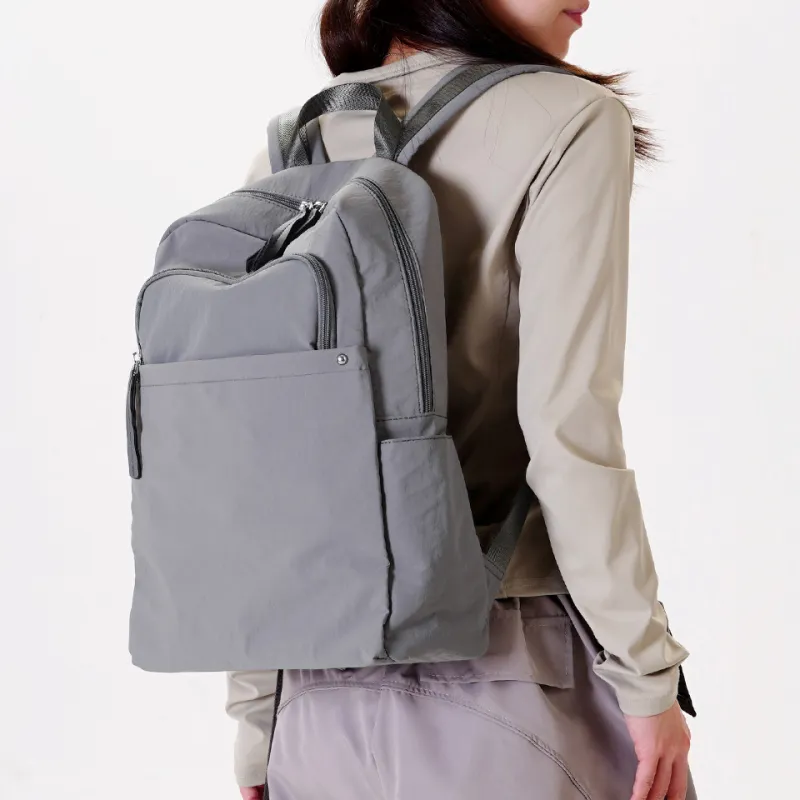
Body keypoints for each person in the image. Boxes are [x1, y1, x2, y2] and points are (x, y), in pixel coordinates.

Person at [226, 1, 696, 799]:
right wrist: (646, 675)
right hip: (515, 680)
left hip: (313, 692)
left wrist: (257, 719)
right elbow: (568, 429)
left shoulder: (299, 138)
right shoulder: (570, 118)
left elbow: (256, 456)